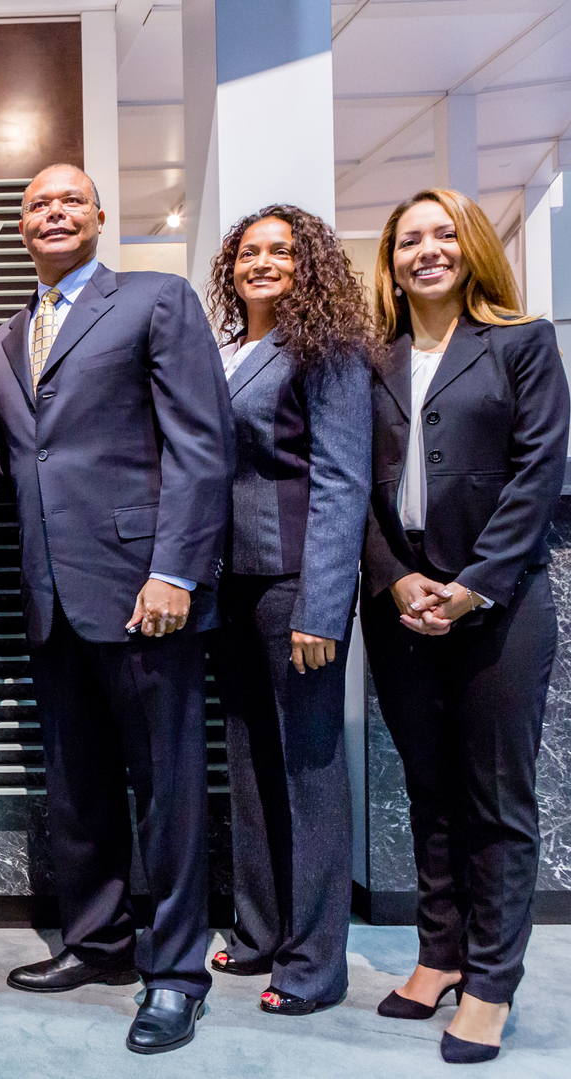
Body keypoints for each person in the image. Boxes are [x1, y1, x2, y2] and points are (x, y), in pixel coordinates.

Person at [0, 164, 234, 1055]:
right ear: (21, 225)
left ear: (99, 215)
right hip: (48, 597)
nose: (53, 212)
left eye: (69, 200)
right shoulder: (4, 339)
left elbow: (202, 446)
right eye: (37, 203)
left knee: (168, 792)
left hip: (143, 592)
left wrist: (176, 572)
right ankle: (99, 942)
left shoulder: (156, 300)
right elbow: (16, 464)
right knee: (77, 788)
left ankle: (176, 973)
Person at [360, 188, 570, 1065]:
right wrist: (398, 577)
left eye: (444, 234)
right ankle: (439, 953)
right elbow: (351, 486)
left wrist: (472, 585)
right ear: (392, 262)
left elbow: (537, 475)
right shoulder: (373, 359)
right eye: (410, 239)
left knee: (496, 799)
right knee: (430, 789)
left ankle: (490, 981)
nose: (427, 250)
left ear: (473, 246)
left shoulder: (522, 344)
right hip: (401, 605)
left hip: (501, 609)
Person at [200, 205, 375, 1015]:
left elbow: (344, 480)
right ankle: (263, 928)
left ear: (311, 266)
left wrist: (323, 606)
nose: (261, 263)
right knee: (247, 760)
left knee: (308, 772)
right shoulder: (231, 349)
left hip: (295, 586)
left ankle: (314, 961)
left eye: (281, 251)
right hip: (230, 585)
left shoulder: (328, 350)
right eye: (248, 251)